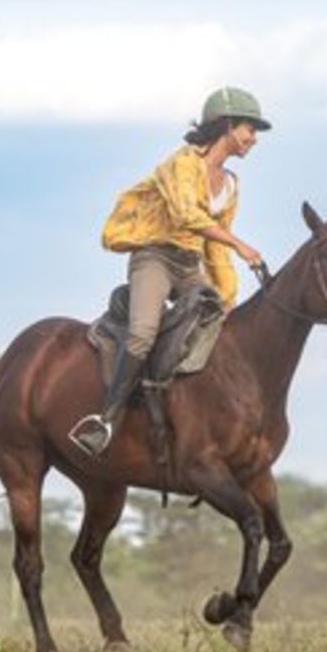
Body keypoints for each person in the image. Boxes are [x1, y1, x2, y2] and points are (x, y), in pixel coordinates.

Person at [69, 86, 270, 456]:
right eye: (249, 129)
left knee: (215, 325)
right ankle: (106, 421)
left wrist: (226, 297)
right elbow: (186, 216)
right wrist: (241, 244)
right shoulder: (180, 164)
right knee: (143, 334)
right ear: (226, 125)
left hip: (190, 263)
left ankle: (188, 415)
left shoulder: (232, 185)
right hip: (155, 258)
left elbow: (212, 247)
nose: (254, 139)